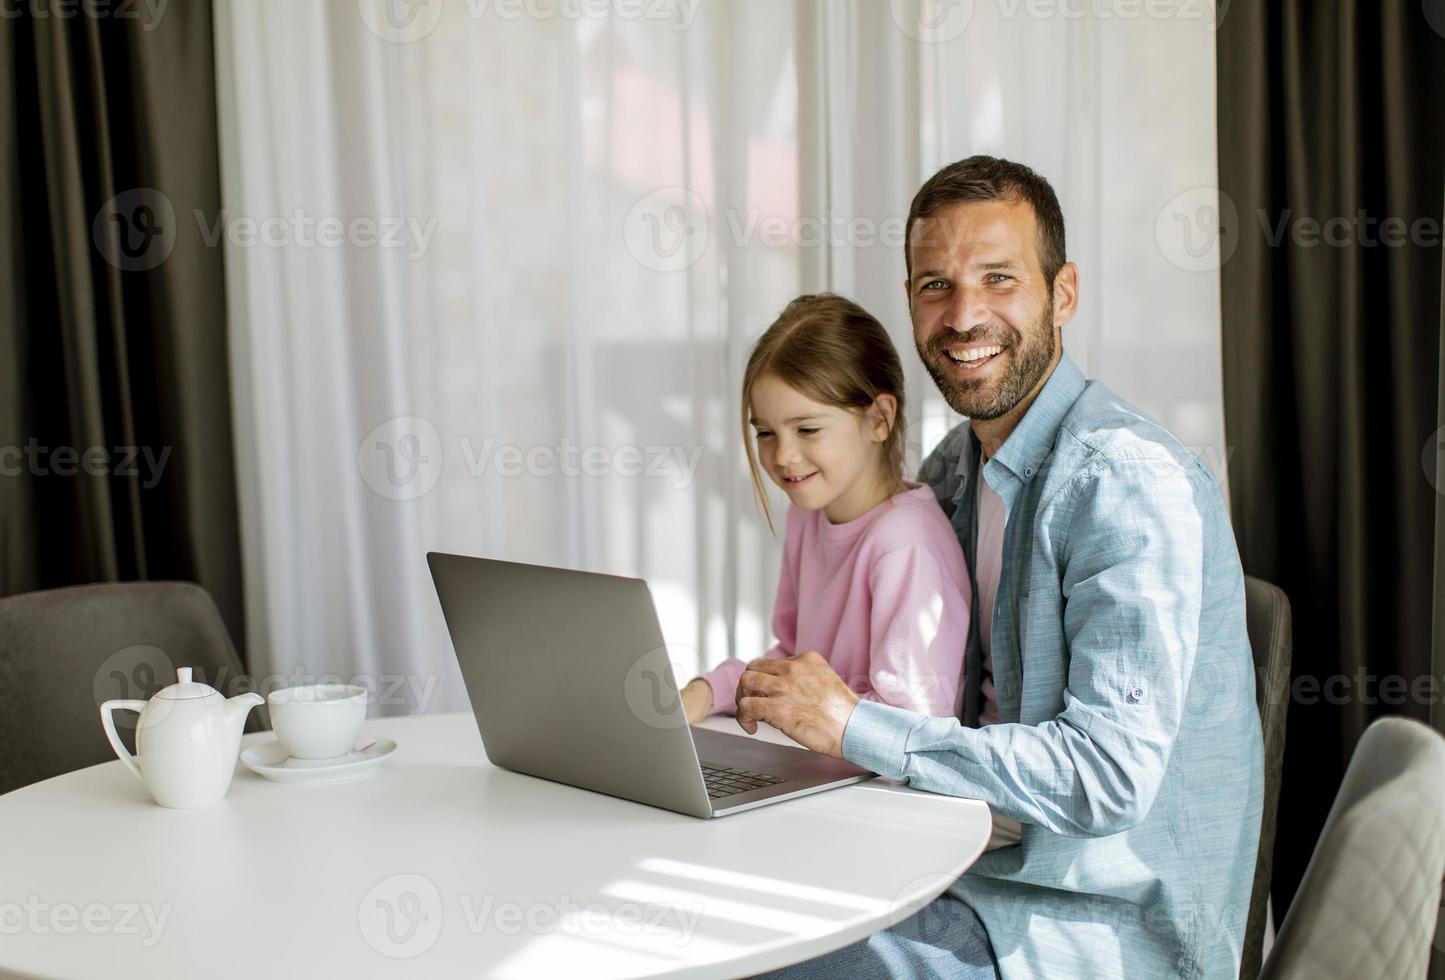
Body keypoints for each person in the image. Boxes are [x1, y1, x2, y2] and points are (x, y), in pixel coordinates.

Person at [740, 156, 1265, 980]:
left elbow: (1106, 779)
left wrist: (854, 727)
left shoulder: (1125, 484)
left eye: (997, 278)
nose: (962, 315)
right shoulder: (956, 467)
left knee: (771, 968)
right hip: (963, 858)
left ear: (1062, 294)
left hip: (1088, 928)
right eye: (934, 286)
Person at [680, 293, 971, 722]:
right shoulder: (807, 515)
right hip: (821, 765)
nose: (783, 455)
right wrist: (710, 690)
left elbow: (913, 726)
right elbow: (792, 662)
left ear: (878, 419)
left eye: (808, 429)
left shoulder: (906, 543)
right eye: (765, 432)